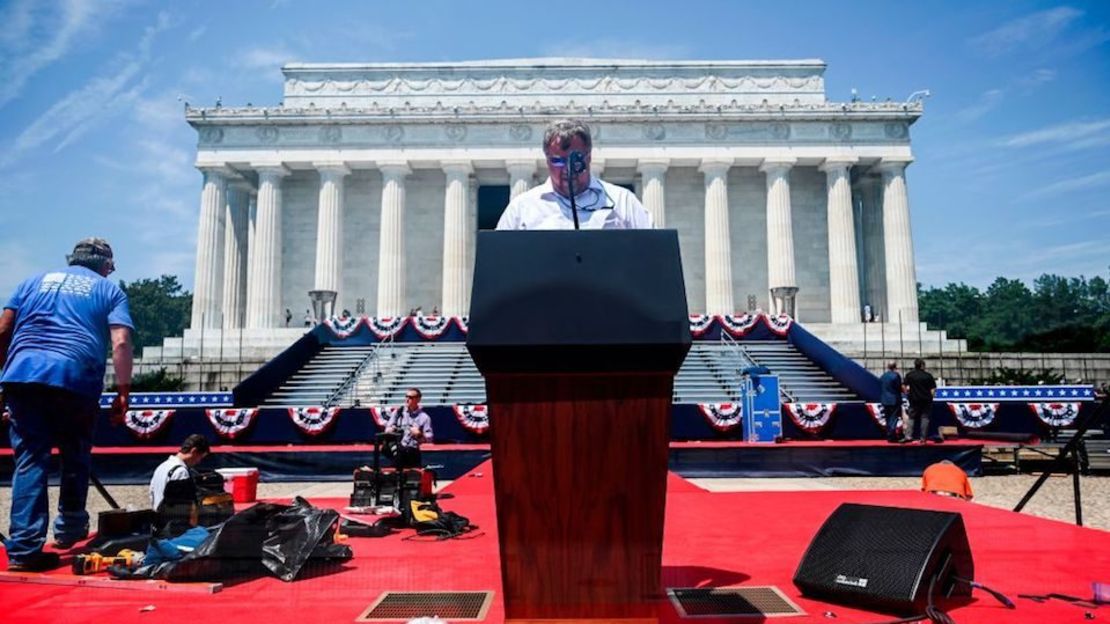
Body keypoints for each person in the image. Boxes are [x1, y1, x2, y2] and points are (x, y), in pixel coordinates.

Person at [0, 238, 133, 571]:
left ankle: (24, 550)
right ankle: (69, 530)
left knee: (30, 461)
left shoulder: (31, 282)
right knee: (75, 456)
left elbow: (3, 329)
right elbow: (120, 340)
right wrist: (123, 391)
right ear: (106, 266)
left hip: (23, 376)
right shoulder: (108, 291)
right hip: (74, 377)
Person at [496, 119, 654, 230]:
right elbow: (498, 263)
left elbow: (655, 253)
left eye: (575, 159)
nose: (567, 168)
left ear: (589, 156)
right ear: (547, 160)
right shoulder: (522, 208)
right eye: (558, 161)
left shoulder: (622, 202)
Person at [149, 434, 212, 511]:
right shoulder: (181, 472)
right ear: (194, 451)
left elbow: (152, 495)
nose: (199, 462)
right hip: (172, 519)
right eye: (200, 457)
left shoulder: (161, 466)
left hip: (159, 516)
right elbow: (182, 505)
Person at [384, 388, 434, 469]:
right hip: (397, 449)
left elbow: (430, 437)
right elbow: (387, 429)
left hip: (412, 451)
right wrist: (391, 429)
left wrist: (419, 434)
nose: (407, 399)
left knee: (412, 476)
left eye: (410, 397)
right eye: (406, 396)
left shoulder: (424, 417)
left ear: (418, 399)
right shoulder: (398, 413)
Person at [903, 358, 937, 444]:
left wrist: (907, 394)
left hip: (914, 399)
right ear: (922, 365)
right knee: (925, 418)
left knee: (911, 418)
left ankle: (908, 436)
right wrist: (931, 398)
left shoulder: (910, 375)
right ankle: (923, 438)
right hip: (926, 400)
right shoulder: (928, 376)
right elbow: (933, 389)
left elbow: (904, 386)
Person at [879, 361, 904, 443]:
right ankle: (892, 435)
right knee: (894, 418)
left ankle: (889, 434)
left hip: (885, 399)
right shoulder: (896, 376)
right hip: (894, 399)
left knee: (888, 417)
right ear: (895, 366)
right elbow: (899, 388)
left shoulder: (883, 376)